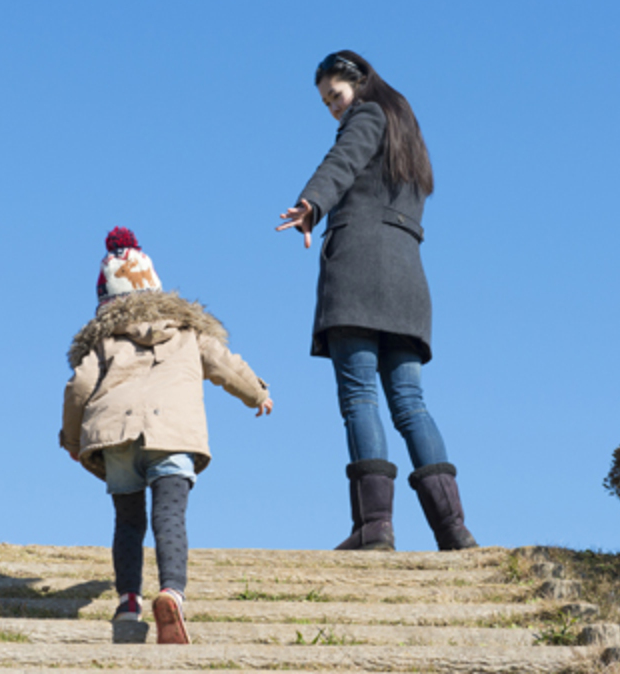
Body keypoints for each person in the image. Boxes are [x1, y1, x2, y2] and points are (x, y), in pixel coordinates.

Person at [276, 50, 477, 552]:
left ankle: (374, 529)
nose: (334, 110)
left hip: (359, 279)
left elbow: (340, 161)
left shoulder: (368, 115)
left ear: (360, 82)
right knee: (411, 404)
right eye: (326, 104)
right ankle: (452, 530)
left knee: (360, 397)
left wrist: (311, 204)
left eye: (336, 96)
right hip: (408, 284)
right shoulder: (408, 135)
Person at [61, 226, 273, 643]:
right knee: (170, 516)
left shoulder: (102, 340)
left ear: (106, 297)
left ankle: (127, 603)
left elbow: (80, 387)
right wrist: (257, 394)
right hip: (173, 434)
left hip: (117, 436)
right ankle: (172, 592)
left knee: (128, 522)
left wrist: (71, 440)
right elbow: (224, 365)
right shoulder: (188, 330)